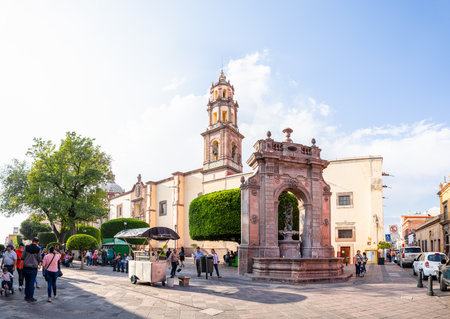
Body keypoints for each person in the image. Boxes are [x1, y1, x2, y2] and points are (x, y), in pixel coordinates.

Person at [22, 237, 42, 302]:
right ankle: (30, 297)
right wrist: (38, 263)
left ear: (32, 241)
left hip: (26, 267)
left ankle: (26, 296)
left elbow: (23, 256)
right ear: (37, 242)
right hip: (33, 268)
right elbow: (39, 258)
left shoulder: (26, 247)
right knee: (31, 283)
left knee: (27, 282)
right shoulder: (38, 249)